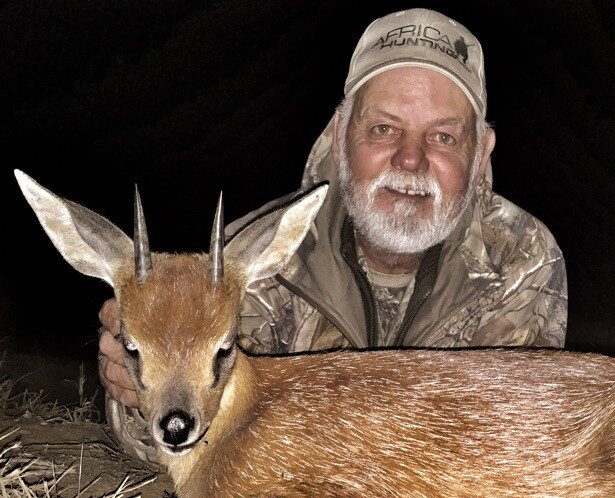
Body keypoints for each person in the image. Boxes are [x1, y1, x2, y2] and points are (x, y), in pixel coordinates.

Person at [99, 8, 568, 461]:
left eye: (443, 137)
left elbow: (511, 441)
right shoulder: (252, 257)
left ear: (481, 151)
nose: (410, 159)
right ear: (341, 133)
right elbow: (178, 441)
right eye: (385, 129)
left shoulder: (520, 256)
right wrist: (138, 392)